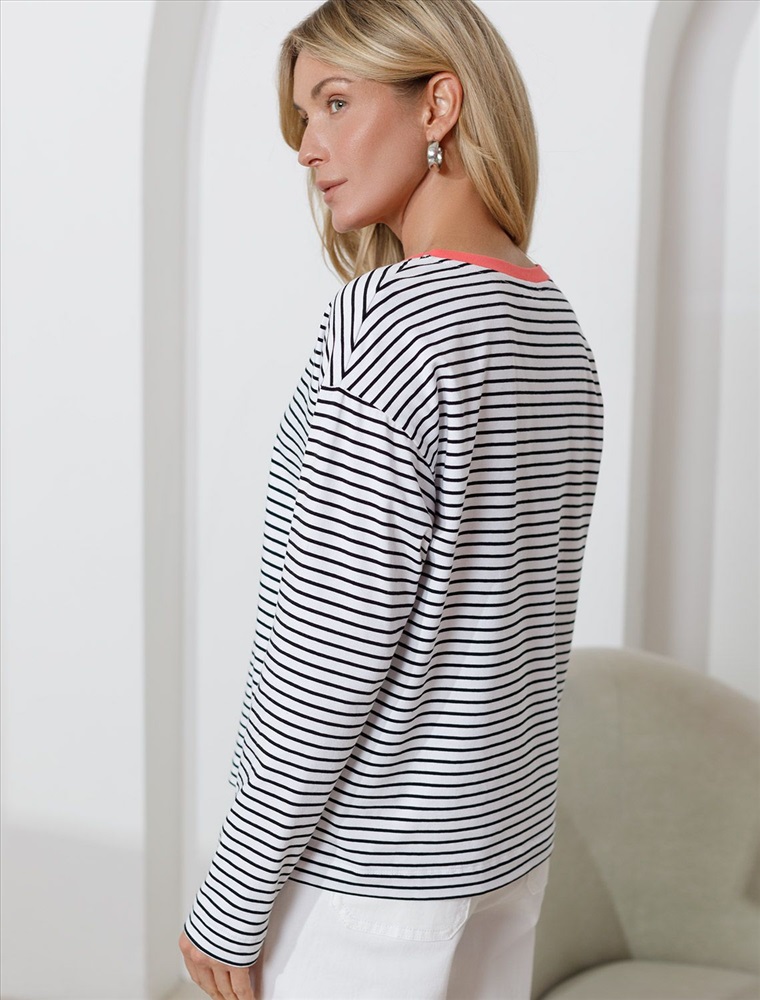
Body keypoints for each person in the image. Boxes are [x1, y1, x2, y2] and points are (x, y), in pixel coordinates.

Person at [179, 1, 603, 997]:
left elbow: (329, 649)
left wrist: (235, 892)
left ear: (437, 104)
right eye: (303, 116)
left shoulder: (385, 325)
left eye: (335, 102)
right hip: (501, 855)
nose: (306, 147)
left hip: (368, 886)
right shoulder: (553, 325)